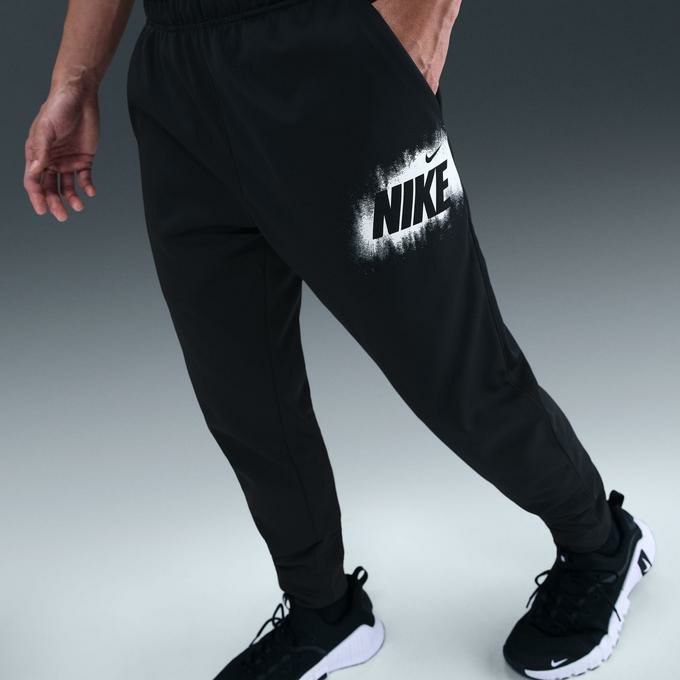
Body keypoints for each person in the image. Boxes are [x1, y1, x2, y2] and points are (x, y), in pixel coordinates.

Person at [23, 1, 656, 678]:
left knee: (450, 368)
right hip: (179, 79)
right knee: (241, 391)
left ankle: (600, 543)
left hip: (326, 44)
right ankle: (322, 609)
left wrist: (422, 20)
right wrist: (75, 80)